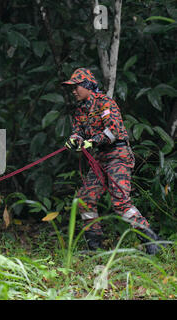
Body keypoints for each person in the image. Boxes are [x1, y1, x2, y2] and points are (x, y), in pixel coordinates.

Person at [62, 67, 163, 254]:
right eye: (72, 88)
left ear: (87, 86)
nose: (73, 91)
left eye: (76, 87)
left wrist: (92, 142)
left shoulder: (105, 103)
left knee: (120, 202)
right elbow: (78, 131)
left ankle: (151, 240)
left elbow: (113, 131)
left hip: (118, 156)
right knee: (85, 200)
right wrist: (74, 140)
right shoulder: (80, 110)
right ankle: (95, 247)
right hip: (100, 160)